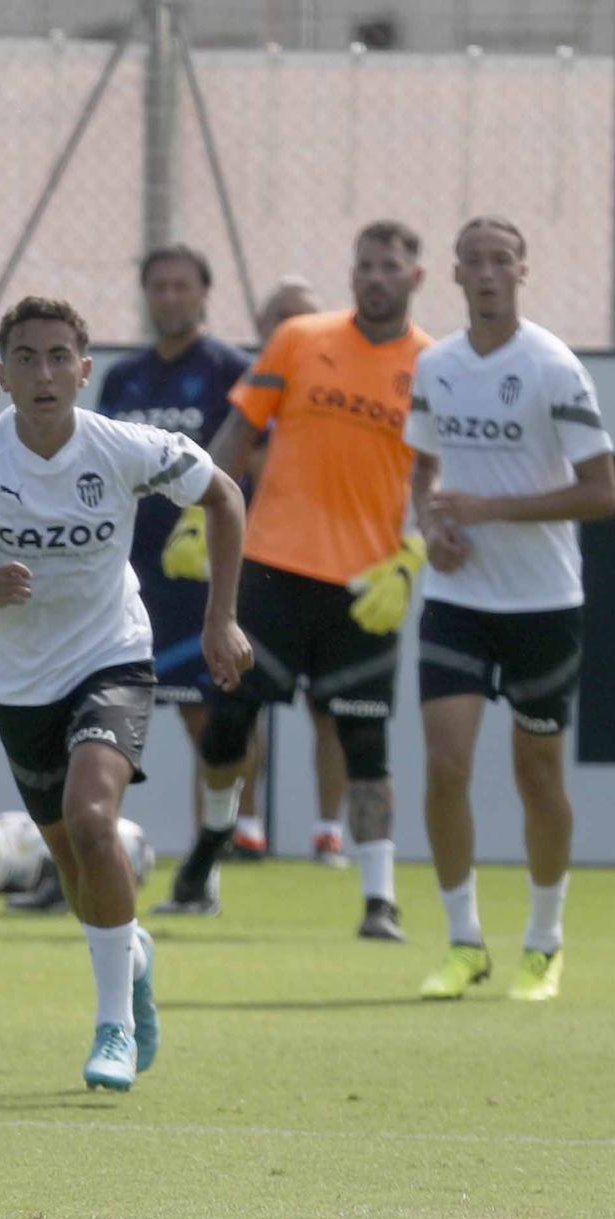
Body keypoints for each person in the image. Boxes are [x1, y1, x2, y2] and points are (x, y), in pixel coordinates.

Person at [0, 295, 249, 1090]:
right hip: (20, 681)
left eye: (60, 356)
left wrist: (220, 620)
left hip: (113, 657)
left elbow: (224, 495)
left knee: (97, 823)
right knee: (73, 866)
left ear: (85, 370)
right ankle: (131, 956)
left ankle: (113, 1030)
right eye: (25, 357)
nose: (44, 373)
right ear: (1, 373)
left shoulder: (124, 446)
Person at [159, 221, 433, 942]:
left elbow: (437, 481)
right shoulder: (298, 339)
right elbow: (238, 431)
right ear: (352, 273)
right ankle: (209, 853)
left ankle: (380, 901)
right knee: (227, 731)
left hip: (364, 585)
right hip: (270, 570)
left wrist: (412, 558)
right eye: (365, 264)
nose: (375, 277)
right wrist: (200, 512)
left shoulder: (435, 368)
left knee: (365, 741)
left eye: (390, 266)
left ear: (416, 278)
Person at [408, 216, 615, 1002]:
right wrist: (432, 524)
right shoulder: (436, 365)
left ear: (523, 271)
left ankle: (544, 940)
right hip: (458, 598)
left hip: (543, 602)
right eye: (474, 262)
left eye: (502, 260)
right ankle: (464, 942)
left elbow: (603, 493)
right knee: (445, 765)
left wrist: (490, 510)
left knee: (537, 774)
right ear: (455, 274)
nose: (488, 273)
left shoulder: (552, 366)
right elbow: (423, 469)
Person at [77, 245, 252, 887]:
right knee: (99, 714)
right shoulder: (122, 379)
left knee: (212, 719)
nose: (170, 297)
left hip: (199, 575)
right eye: (159, 286)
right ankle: (84, 849)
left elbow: (252, 468)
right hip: (126, 570)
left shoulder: (232, 369)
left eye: (183, 285)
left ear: (204, 294)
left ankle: (224, 841)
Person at [240, 276, 352, 866]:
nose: (290, 328)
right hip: (264, 564)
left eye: (302, 318)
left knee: (331, 708)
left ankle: (329, 829)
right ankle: (247, 826)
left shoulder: (334, 386)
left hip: (333, 562)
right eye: (279, 317)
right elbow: (243, 457)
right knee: (244, 702)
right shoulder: (250, 389)